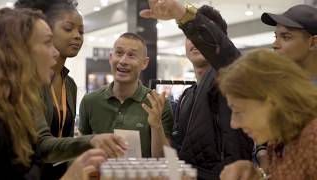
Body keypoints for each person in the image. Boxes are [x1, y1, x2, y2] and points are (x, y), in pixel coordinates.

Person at [141, 2, 253, 179]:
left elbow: (231, 60)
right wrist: (156, 126)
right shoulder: (187, 96)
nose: (195, 41)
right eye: (189, 36)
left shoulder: (229, 81)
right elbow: (174, 162)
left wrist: (182, 14)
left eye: (201, 35)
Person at [0, 7, 106, 180]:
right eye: (48, 42)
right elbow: (41, 147)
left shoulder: (67, 85)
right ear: (19, 50)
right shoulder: (7, 114)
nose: (54, 52)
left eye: (81, 31)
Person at [218, 49, 317, 180]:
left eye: (238, 111)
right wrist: (258, 176)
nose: (234, 124)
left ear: (273, 102)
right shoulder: (277, 141)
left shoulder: (313, 138)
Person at [79, 32, 174, 158]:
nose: (123, 61)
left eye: (131, 55)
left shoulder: (157, 103)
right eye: (119, 53)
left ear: (144, 63)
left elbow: (163, 160)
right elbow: (81, 150)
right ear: (111, 57)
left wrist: (156, 125)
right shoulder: (90, 101)